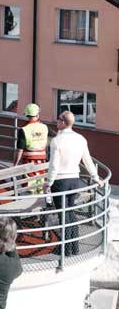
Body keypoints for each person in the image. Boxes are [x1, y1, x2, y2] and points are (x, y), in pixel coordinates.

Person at [44, 110, 99, 257]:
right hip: (75, 180)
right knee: (70, 212)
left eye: (58, 119)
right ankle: (74, 248)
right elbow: (87, 160)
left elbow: (54, 165)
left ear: (63, 122)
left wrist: (48, 183)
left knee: (64, 215)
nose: (56, 121)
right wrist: (96, 177)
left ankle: (65, 249)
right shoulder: (81, 139)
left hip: (60, 181)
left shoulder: (56, 140)